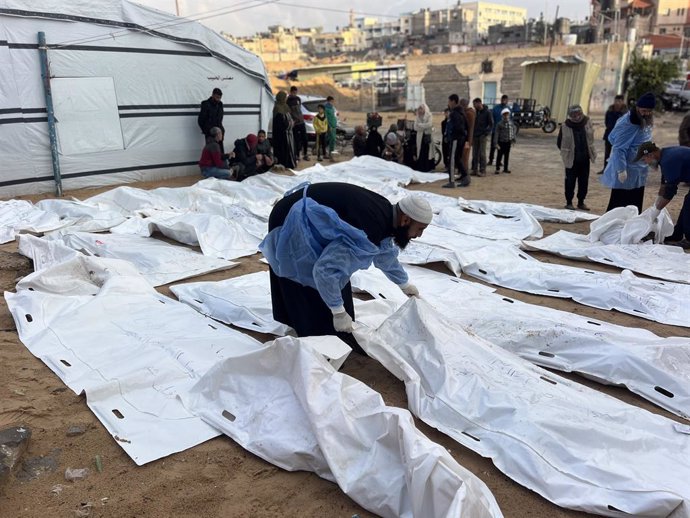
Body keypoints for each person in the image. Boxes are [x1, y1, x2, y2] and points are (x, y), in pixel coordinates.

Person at [260, 182, 432, 353]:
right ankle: (318, 344)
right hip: (290, 217)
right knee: (305, 280)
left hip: (305, 211)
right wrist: (338, 312)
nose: (419, 235)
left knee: (338, 278)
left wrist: (404, 284)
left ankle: (339, 334)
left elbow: (384, 253)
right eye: (419, 229)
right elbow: (325, 270)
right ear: (406, 219)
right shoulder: (371, 226)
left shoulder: (387, 216)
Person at [600, 92, 655, 213]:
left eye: (649, 111)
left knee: (635, 201)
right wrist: (621, 169)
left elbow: (646, 139)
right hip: (628, 167)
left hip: (639, 167)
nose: (646, 113)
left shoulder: (646, 119)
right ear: (638, 107)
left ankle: (632, 227)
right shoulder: (629, 122)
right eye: (644, 110)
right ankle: (613, 227)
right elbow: (619, 147)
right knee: (620, 202)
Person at [636, 142, 690, 247]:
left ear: (650, 155)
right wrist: (656, 202)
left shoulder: (669, 160)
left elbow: (670, 192)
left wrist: (656, 210)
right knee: (688, 202)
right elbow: (664, 183)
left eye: (644, 160)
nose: (646, 163)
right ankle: (677, 234)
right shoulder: (665, 155)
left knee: (689, 205)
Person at [557, 105, 597, 210]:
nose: (576, 116)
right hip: (571, 159)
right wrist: (567, 153)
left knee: (584, 181)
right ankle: (569, 202)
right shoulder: (565, 125)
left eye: (578, 114)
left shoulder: (587, 122)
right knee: (570, 181)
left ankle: (581, 202)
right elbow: (559, 143)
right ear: (570, 115)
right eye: (573, 114)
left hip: (585, 159)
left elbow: (591, 139)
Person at [444, 94, 469, 188]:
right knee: (457, 158)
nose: (448, 103)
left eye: (449, 101)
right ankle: (465, 176)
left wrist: (453, 136)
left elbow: (459, 127)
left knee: (452, 159)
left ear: (453, 101)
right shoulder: (461, 112)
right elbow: (466, 126)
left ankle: (452, 181)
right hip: (460, 138)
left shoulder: (455, 113)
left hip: (456, 139)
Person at [599, 94, 627, 174]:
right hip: (609, 134)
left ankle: (617, 170)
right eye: (616, 101)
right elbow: (606, 122)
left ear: (622, 102)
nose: (617, 103)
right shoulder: (609, 111)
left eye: (619, 101)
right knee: (607, 153)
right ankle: (605, 169)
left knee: (618, 154)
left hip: (620, 137)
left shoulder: (625, 113)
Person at [272, 91, 296, 168]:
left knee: (288, 149)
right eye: (285, 97)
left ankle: (289, 163)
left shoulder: (286, 106)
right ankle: (284, 164)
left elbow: (289, 117)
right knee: (282, 149)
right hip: (281, 135)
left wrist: (292, 123)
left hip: (288, 133)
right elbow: (279, 123)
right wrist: (289, 124)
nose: (286, 99)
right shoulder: (277, 108)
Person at [198, 88, 225, 156]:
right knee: (211, 153)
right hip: (210, 133)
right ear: (212, 95)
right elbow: (200, 120)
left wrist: (221, 130)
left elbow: (220, 118)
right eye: (217, 97)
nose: (218, 99)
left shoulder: (220, 104)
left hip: (219, 132)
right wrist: (207, 131)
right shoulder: (205, 104)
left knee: (220, 152)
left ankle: (220, 165)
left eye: (220, 98)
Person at [287, 86, 309, 162]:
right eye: (293, 92)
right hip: (295, 124)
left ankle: (305, 154)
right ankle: (297, 155)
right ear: (291, 92)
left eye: (296, 92)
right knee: (296, 140)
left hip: (301, 122)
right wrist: (293, 121)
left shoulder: (298, 99)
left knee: (305, 139)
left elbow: (299, 110)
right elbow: (289, 113)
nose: (295, 94)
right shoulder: (288, 101)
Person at [471, 98, 493, 176]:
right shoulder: (475, 112)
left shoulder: (487, 112)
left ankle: (483, 170)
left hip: (482, 136)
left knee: (482, 154)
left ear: (479, 103)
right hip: (475, 135)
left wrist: (486, 133)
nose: (474, 106)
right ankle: (474, 169)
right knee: (475, 153)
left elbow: (491, 124)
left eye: (475, 104)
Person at [494, 108, 516, 175]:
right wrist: (496, 143)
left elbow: (513, 131)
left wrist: (513, 140)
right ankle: (497, 169)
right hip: (501, 142)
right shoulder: (499, 124)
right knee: (499, 156)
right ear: (502, 116)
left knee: (507, 156)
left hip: (508, 142)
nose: (506, 116)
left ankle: (505, 168)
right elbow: (496, 133)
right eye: (505, 115)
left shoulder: (511, 123)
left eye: (507, 115)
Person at [489, 94, 509, 165]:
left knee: (501, 147)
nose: (504, 101)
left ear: (507, 101)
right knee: (493, 146)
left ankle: (499, 161)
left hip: (503, 132)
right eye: (503, 100)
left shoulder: (508, 109)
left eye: (505, 100)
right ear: (501, 100)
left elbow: (510, 120)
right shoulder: (496, 108)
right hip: (495, 130)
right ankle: (491, 160)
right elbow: (492, 119)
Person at [413, 103, 434, 171]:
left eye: (421, 109)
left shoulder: (429, 115)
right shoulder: (417, 117)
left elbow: (429, 124)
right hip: (420, 137)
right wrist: (424, 126)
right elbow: (415, 127)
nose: (420, 110)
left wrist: (420, 125)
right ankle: (421, 167)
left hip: (427, 137)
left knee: (427, 153)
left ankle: (428, 168)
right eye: (419, 109)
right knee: (420, 153)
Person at [459, 99, 475, 174]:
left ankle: (464, 172)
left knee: (465, 156)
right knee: (462, 155)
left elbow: (470, 128)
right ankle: (463, 171)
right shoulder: (466, 112)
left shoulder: (469, 113)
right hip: (465, 138)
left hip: (467, 138)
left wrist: (468, 140)